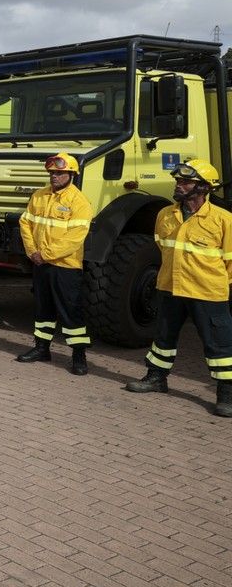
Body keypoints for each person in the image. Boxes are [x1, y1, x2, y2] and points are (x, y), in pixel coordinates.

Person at [125, 159, 232, 417]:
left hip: (206, 291)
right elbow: (164, 248)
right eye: (178, 181)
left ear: (204, 187)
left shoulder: (223, 220)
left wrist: (215, 283)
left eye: (186, 182)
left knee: (219, 345)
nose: (179, 185)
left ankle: (226, 394)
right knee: (163, 337)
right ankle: (156, 378)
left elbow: (230, 261)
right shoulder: (165, 215)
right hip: (170, 287)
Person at [16, 153, 94, 375]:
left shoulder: (79, 202)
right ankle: (41, 349)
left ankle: (79, 356)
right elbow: (25, 224)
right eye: (52, 173)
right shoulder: (39, 196)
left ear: (71, 174)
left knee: (72, 312)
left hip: (66, 266)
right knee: (43, 308)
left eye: (59, 173)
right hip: (41, 263)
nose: (54, 176)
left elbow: (75, 237)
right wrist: (32, 252)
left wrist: (45, 254)